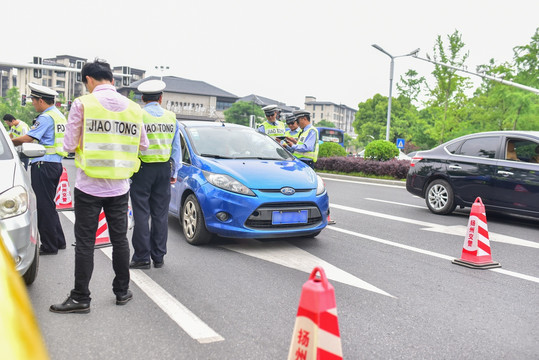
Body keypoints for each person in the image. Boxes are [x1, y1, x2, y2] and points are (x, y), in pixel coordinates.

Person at [50, 60, 149, 314]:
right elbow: (144, 146)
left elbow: (69, 145)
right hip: (119, 186)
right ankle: (122, 291)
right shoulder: (134, 109)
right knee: (119, 240)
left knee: (85, 243)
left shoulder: (83, 104)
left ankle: (81, 297)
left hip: (89, 186)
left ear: (88, 80)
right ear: (112, 81)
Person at [129, 80, 181, 269]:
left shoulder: (138, 115)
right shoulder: (171, 117)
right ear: (161, 98)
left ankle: (142, 257)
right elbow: (176, 148)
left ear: (142, 98)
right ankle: (158, 257)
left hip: (142, 169)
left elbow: (133, 143)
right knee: (160, 214)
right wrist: (174, 171)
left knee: (142, 214)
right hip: (164, 169)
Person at [11, 83, 67, 254]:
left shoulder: (45, 117)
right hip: (55, 164)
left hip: (43, 164)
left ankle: (49, 246)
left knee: (43, 206)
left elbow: (28, 138)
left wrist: (8, 142)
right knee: (49, 204)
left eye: (33, 101)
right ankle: (58, 240)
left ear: (41, 100)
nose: (33, 104)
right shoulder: (59, 116)